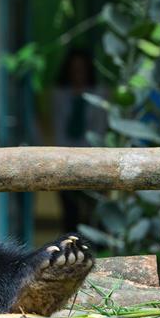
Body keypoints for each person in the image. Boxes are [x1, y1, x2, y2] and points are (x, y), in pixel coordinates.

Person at [52, 49, 104, 232]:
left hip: (92, 162)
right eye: (74, 69)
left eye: (81, 69)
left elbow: (99, 130)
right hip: (64, 162)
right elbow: (59, 130)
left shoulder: (98, 94)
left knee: (92, 215)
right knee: (70, 214)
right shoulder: (60, 95)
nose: (77, 74)